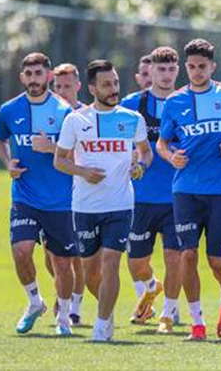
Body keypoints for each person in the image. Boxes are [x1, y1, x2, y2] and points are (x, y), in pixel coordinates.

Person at [156, 39, 221, 341]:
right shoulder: (175, 101)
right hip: (186, 190)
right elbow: (162, 143)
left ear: (213, 66)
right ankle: (197, 322)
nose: (197, 71)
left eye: (202, 66)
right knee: (188, 255)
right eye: (191, 66)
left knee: (217, 260)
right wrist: (171, 157)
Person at [54, 59, 153, 341]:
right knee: (90, 272)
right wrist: (83, 172)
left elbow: (146, 152)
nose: (113, 89)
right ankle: (107, 313)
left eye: (115, 83)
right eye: (106, 84)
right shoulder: (75, 120)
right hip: (84, 206)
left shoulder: (132, 119)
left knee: (111, 262)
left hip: (120, 205)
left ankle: (100, 327)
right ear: (92, 88)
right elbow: (59, 161)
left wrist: (141, 166)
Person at [0, 52, 78, 336]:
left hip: (60, 200)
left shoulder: (65, 111)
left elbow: (78, 153)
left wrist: (51, 147)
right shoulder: (9, 110)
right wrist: (8, 163)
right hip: (25, 196)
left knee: (62, 264)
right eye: (28, 74)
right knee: (21, 251)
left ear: (49, 76)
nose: (33, 79)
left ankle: (64, 317)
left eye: (38, 74)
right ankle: (34, 302)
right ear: (22, 77)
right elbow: (0, 140)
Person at [120, 47, 183, 333]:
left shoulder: (186, 102)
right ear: (150, 72)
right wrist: (129, 155)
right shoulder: (132, 104)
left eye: (171, 69)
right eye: (161, 69)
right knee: (137, 263)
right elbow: (116, 139)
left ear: (177, 71)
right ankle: (151, 286)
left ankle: (169, 313)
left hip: (177, 195)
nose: (166, 75)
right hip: (139, 196)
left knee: (174, 257)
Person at [43, 63, 85, 324]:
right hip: (48, 196)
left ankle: (74, 307)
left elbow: (84, 156)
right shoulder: (48, 112)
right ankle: (64, 291)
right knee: (50, 258)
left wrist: (51, 148)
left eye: (67, 86)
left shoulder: (86, 116)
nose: (62, 91)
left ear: (78, 86)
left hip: (77, 196)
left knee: (75, 256)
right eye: (57, 86)